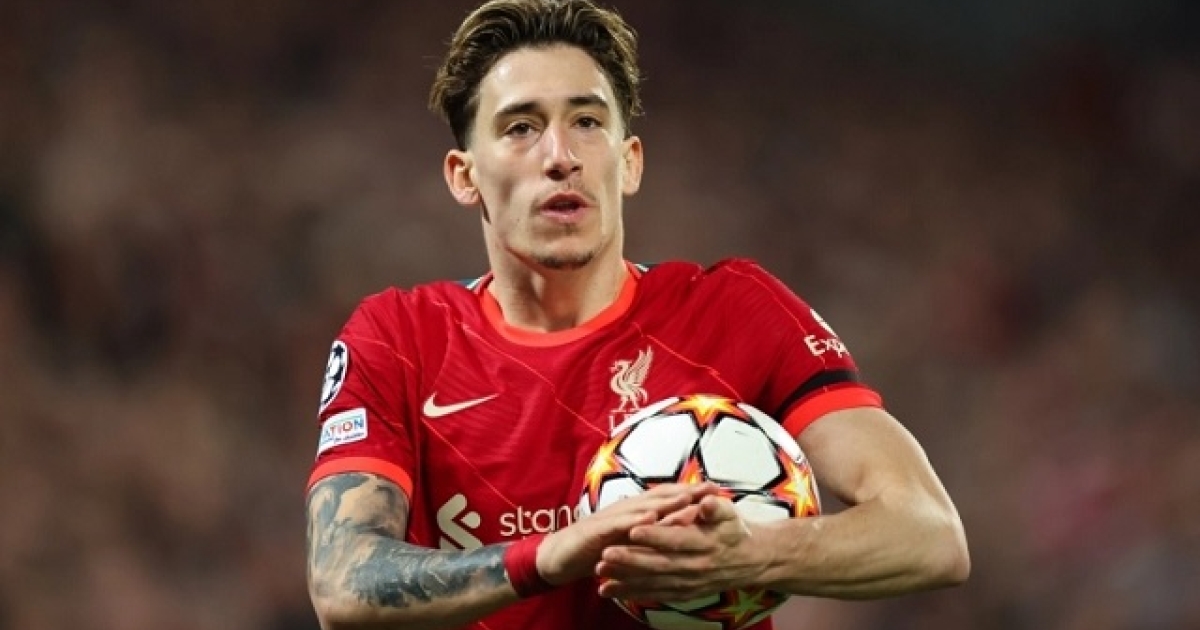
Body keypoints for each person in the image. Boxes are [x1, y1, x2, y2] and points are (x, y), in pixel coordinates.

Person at [304, 1, 970, 628]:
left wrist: (753, 554)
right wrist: (552, 554)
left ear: (629, 163)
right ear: (463, 174)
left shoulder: (733, 311)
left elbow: (930, 533)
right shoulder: (399, 338)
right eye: (520, 127)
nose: (560, 157)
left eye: (587, 122)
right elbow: (340, 583)